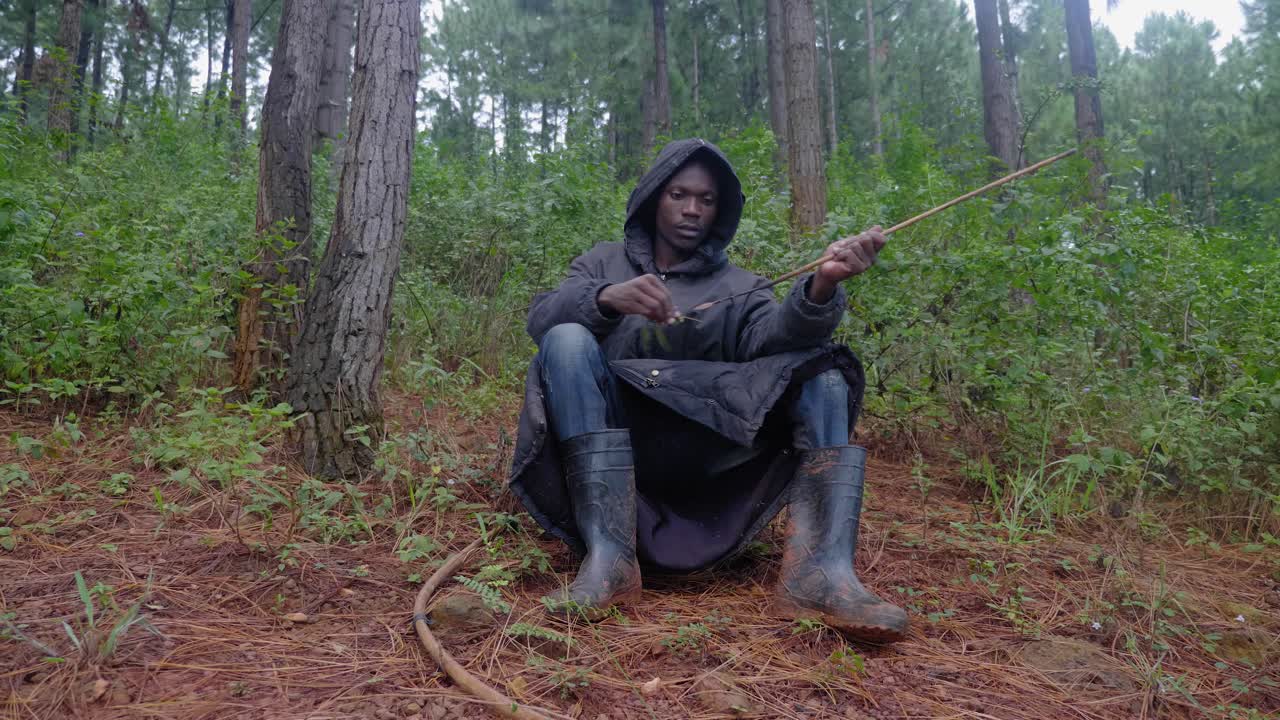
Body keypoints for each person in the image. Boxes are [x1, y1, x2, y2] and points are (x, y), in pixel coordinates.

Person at [508, 138, 907, 642]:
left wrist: (821, 285)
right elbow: (542, 320)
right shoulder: (602, 263)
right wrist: (609, 298)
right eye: (679, 194)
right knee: (565, 339)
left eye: (707, 199)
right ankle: (609, 559)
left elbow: (777, 338)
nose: (693, 209)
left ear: (721, 211)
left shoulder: (744, 285)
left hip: (709, 457)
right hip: (618, 450)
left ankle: (821, 574)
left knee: (823, 370)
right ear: (655, 197)